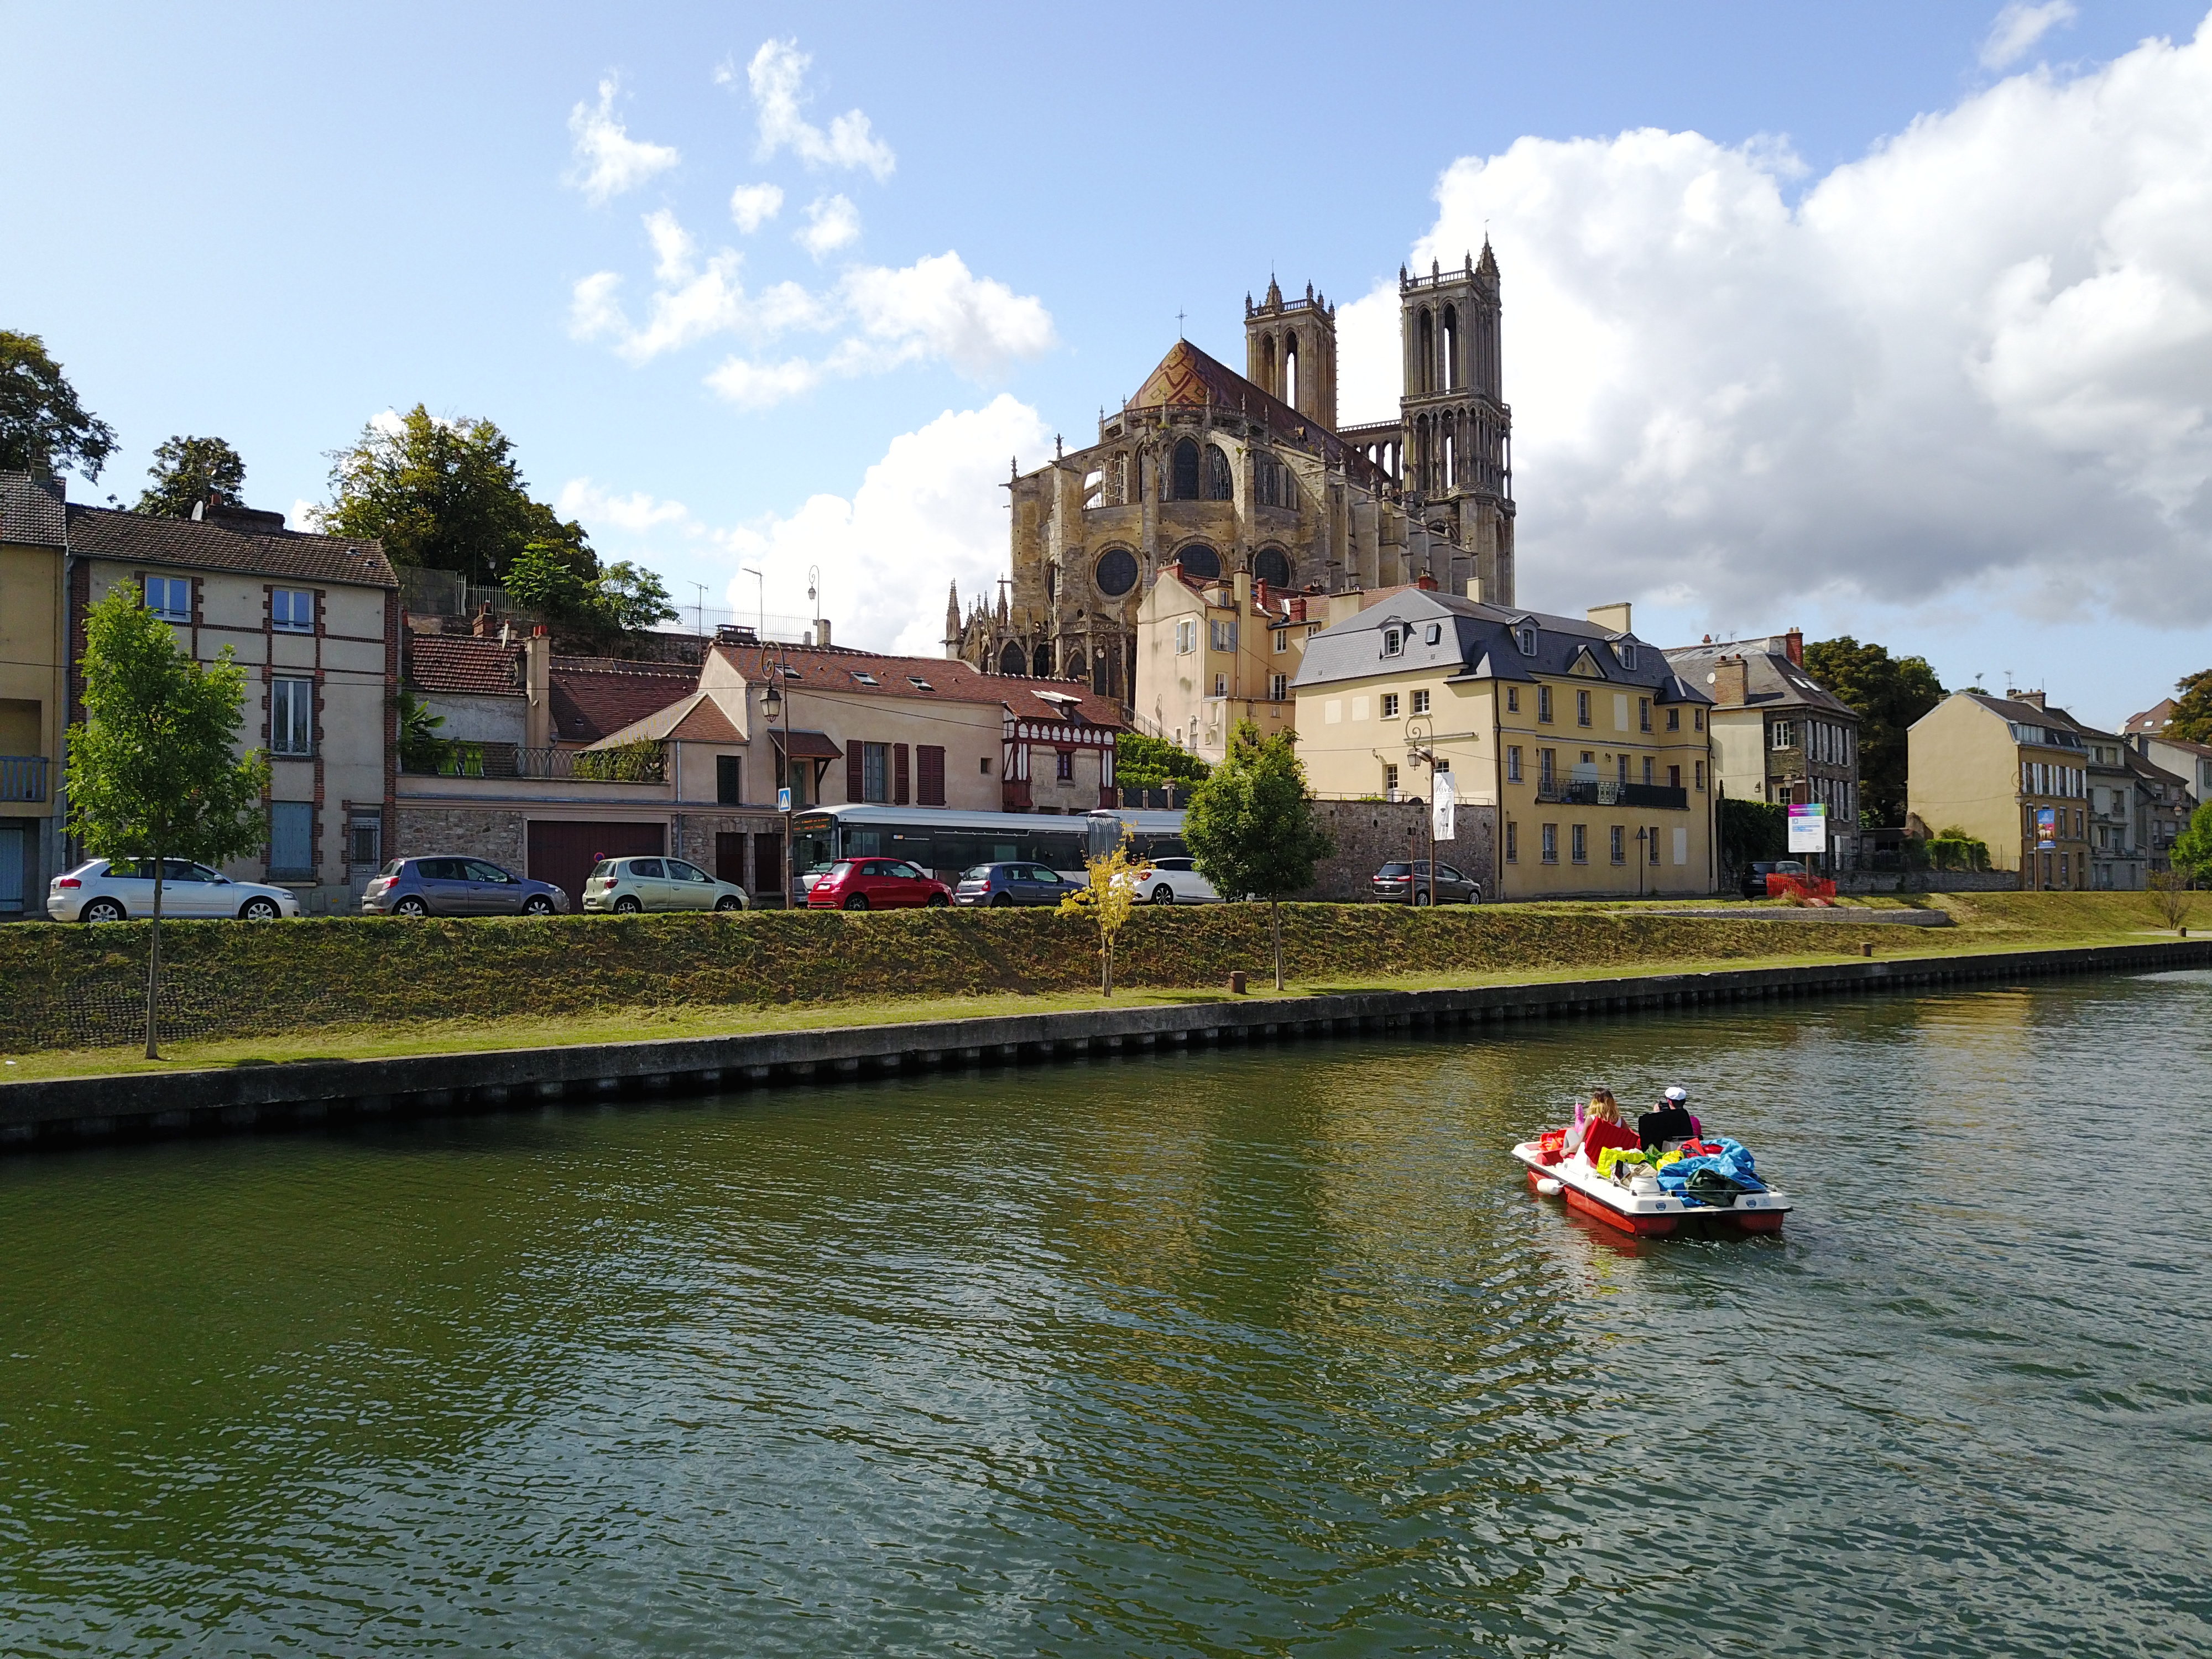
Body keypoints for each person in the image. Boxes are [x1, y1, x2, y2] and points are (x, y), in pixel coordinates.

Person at [1575, 1088, 1642, 1164]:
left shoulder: (1591, 1119)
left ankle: (1564, 1160)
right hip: (1612, 1158)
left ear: (1594, 1103)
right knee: (1579, 1133)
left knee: (1570, 1133)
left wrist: (1566, 1151)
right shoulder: (1620, 1120)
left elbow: (1580, 1145)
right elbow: (1629, 1140)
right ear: (1612, 1103)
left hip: (1593, 1157)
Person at [1639, 1085, 1699, 1152]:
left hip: (1668, 1152)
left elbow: (1653, 1136)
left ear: (1669, 1101)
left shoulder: (1659, 1120)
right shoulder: (1694, 1120)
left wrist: (1656, 1114)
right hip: (1687, 1151)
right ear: (1684, 1102)